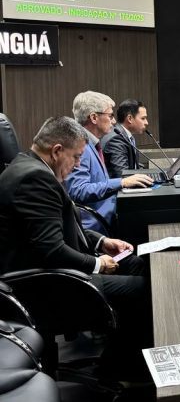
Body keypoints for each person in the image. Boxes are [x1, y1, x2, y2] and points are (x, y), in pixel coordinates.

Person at [0, 116, 152, 380]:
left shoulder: (30, 166)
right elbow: (51, 250)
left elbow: (61, 227)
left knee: (137, 263)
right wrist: (97, 264)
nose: (79, 164)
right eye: (77, 157)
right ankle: (118, 370)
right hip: (44, 285)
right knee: (144, 290)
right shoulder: (34, 179)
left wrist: (102, 242)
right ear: (57, 151)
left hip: (46, 270)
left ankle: (119, 359)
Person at [65, 91, 153, 233]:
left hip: (109, 216)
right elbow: (78, 190)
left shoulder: (91, 143)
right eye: (110, 116)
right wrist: (122, 182)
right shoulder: (81, 148)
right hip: (96, 227)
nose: (114, 121)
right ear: (94, 117)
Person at [102, 98, 149, 175]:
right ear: (130, 118)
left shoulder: (127, 136)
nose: (146, 122)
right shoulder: (116, 139)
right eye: (143, 118)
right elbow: (122, 174)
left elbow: (133, 166)